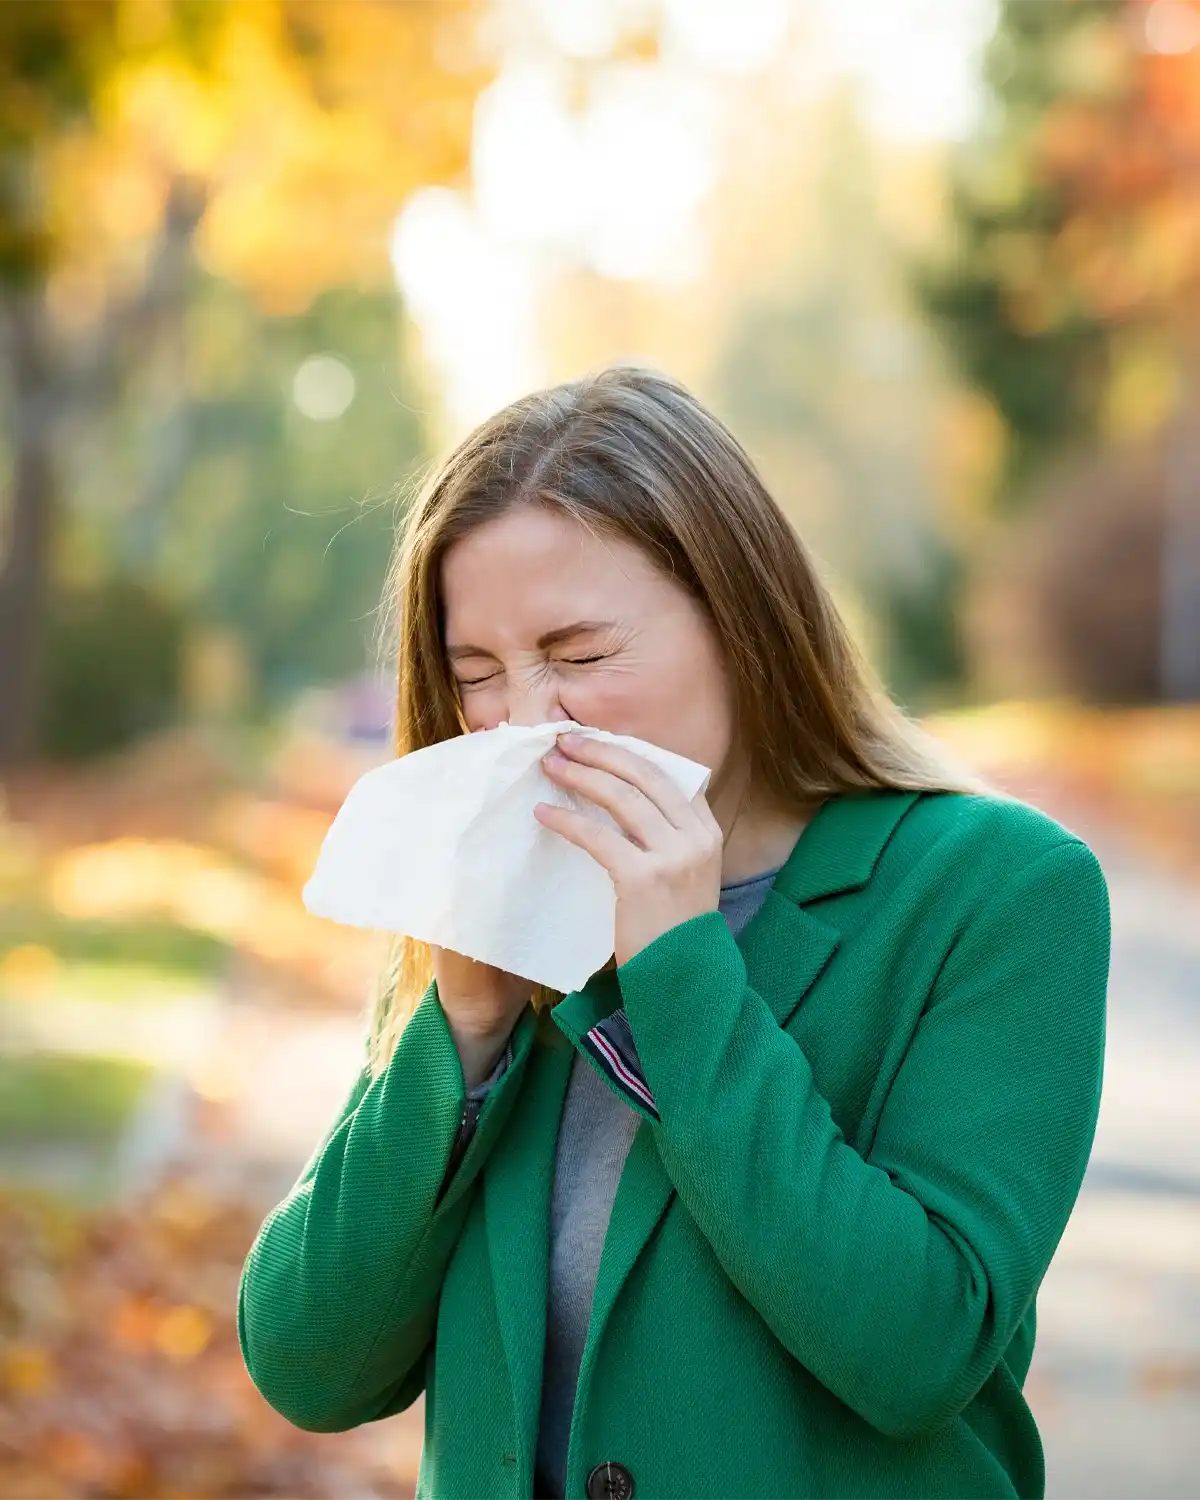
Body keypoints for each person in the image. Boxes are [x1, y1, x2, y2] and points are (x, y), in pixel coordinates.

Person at [237, 364, 1110, 1500]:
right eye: (477, 674)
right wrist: (463, 1030)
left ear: (743, 624)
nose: (528, 721)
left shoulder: (998, 893)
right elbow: (311, 1365)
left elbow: (917, 1352)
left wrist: (682, 974)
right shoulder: (487, 918)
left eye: (583, 655)